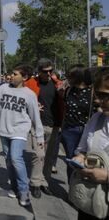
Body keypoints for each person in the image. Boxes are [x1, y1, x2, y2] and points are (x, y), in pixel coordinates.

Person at [0, 64, 44, 207]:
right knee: (9, 160)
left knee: (16, 158)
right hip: (4, 130)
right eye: (11, 73)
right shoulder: (3, 88)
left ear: (24, 78)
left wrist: (39, 136)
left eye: (15, 74)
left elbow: (35, 117)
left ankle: (24, 191)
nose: (11, 76)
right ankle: (15, 187)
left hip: (19, 131)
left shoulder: (29, 94)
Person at [72, 67, 109, 220]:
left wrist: (106, 177)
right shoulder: (96, 118)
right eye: (97, 94)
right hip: (91, 198)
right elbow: (82, 150)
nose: (97, 100)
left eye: (103, 95)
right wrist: (79, 158)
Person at [24, 58, 59, 198]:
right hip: (37, 124)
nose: (49, 74)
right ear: (39, 72)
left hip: (54, 124)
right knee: (39, 154)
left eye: (51, 71)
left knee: (49, 157)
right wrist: (32, 107)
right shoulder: (30, 84)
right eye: (46, 72)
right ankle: (35, 183)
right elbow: (21, 100)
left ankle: (44, 182)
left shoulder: (56, 84)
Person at [61, 65, 93, 182]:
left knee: (88, 161)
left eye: (70, 76)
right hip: (69, 131)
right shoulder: (69, 90)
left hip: (87, 131)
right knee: (72, 161)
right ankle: (73, 188)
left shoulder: (92, 92)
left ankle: (85, 187)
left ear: (78, 77)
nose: (67, 78)